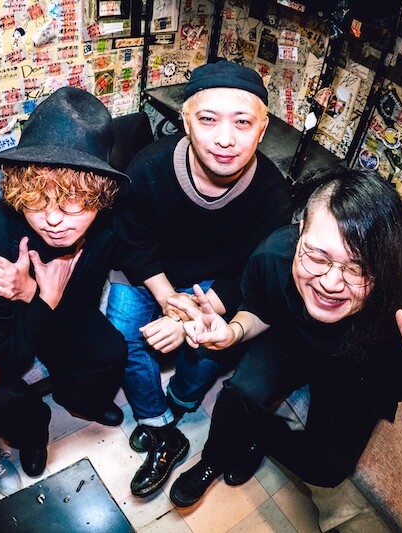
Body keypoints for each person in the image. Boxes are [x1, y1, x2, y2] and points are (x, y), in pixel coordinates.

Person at [167, 167, 402, 507]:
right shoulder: (276, 254)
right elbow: (259, 308)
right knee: (242, 392)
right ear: (301, 231)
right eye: (317, 257)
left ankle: (259, 437)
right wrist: (233, 332)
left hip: (357, 374)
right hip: (291, 341)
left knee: (326, 468)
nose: (330, 283)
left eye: (357, 267)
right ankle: (215, 457)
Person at [105, 60, 292, 497]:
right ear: (186, 121)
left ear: (262, 130)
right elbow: (132, 241)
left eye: (242, 122)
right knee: (122, 332)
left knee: (211, 339)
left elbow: (251, 271)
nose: (225, 139)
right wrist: (167, 299)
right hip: (151, 273)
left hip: (216, 284)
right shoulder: (148, 168)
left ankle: (182, 400)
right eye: (208, 119)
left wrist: (195, 313)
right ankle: (158, 422)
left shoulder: (273, 195)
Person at [0, 87, 128, 479]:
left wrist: (36, 293)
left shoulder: (103, 230)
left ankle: (79, 399)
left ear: (101, 197)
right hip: (1, 338)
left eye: (73, 201)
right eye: (36, 198)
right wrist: (40, 301)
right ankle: (33, 434)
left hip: (51, 310)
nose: (53, 219)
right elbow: (1, 358)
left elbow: (82, 311)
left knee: (111, 349)